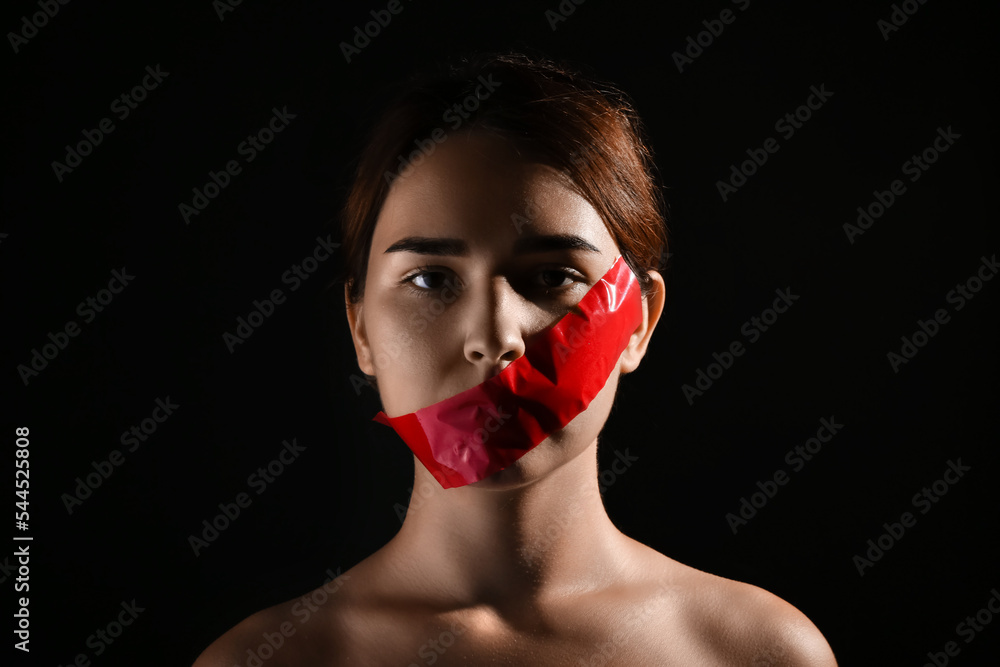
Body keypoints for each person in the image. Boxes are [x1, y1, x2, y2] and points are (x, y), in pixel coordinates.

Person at [194, 51, 837, 666]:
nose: (494, 337)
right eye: (430, 280)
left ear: (638, 323)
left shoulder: (757, 653)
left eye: (554, 275)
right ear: (360, 329)